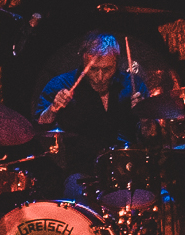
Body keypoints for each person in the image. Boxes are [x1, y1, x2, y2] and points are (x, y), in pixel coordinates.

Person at [36, 34, 147, 202]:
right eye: (94, 69)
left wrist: (146, 117)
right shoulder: (61, 84)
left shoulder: (133, 85)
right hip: (82, 171)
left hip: (128, 170)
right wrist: (53, 108)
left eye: (107, 69)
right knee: (77, 198)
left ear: (117, 62)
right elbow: (40, 125)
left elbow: (152, 136)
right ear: (83, 59)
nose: (100, 76)